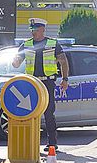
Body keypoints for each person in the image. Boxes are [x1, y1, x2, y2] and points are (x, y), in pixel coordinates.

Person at [12, 18, 70, 152]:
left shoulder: (53, 43)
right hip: (31, 83)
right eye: (32, 30)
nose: (33, 32)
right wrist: (15, 61)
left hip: (47, 82)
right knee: (30, 113)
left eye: (36, 30)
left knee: (49, 112)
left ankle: (52, 143)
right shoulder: (26, 44)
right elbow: (16, 64)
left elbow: (63, 61)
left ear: (43, 29)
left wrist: (65, 79)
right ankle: (30, 143)